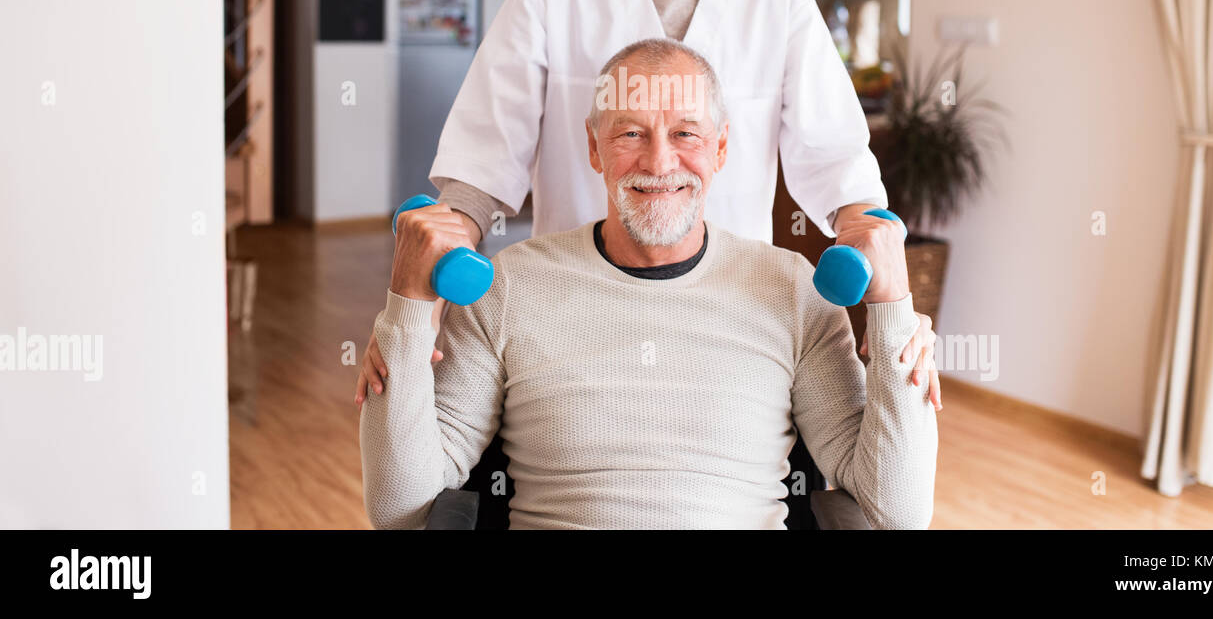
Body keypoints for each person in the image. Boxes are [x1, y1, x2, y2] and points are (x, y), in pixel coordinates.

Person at [355, 0, 933, 405]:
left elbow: (836, 160)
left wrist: (890, 290)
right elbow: (483, 162)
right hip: (574, 310)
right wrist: (413, 303)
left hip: (731, 315)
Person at [360, 39, 938, 529]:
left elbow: (896, 514)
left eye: (686, 133)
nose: (659, 163)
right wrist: (407, 309)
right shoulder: (510, 286)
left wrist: (893, 315)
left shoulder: (794, 292)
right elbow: (399, 507)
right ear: (594, 147)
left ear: (720, 147)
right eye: (631, 133)